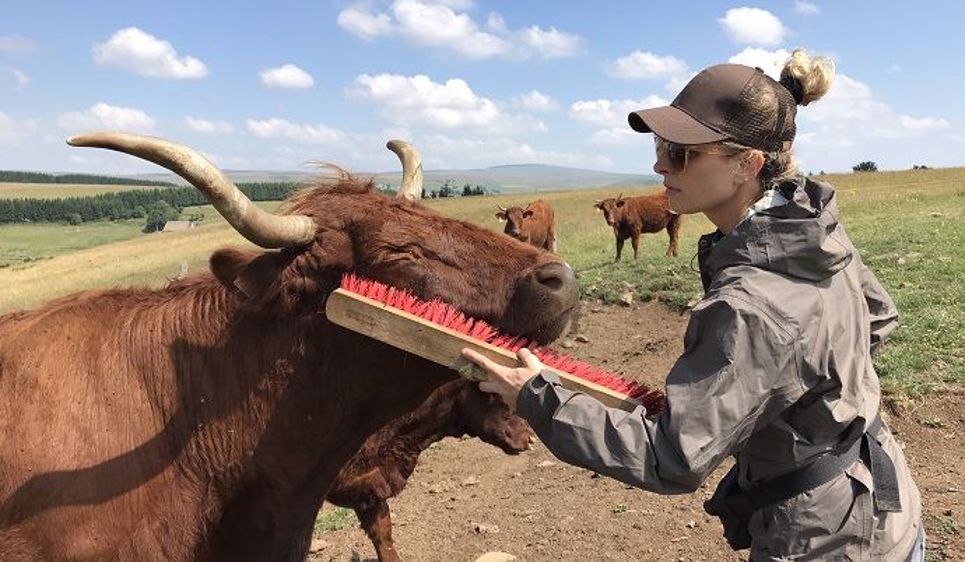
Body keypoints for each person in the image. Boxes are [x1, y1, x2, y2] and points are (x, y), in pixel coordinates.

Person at [461, 49, 924, 561]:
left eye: (682, 153)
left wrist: (536, 396)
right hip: (882, 495)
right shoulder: (812, 228)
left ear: (746, 164)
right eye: (663, 145)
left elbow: (671, 457)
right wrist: (803, 407)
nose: (659, 164)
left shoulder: (750, 304)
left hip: (827, 541)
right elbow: (878, 317)